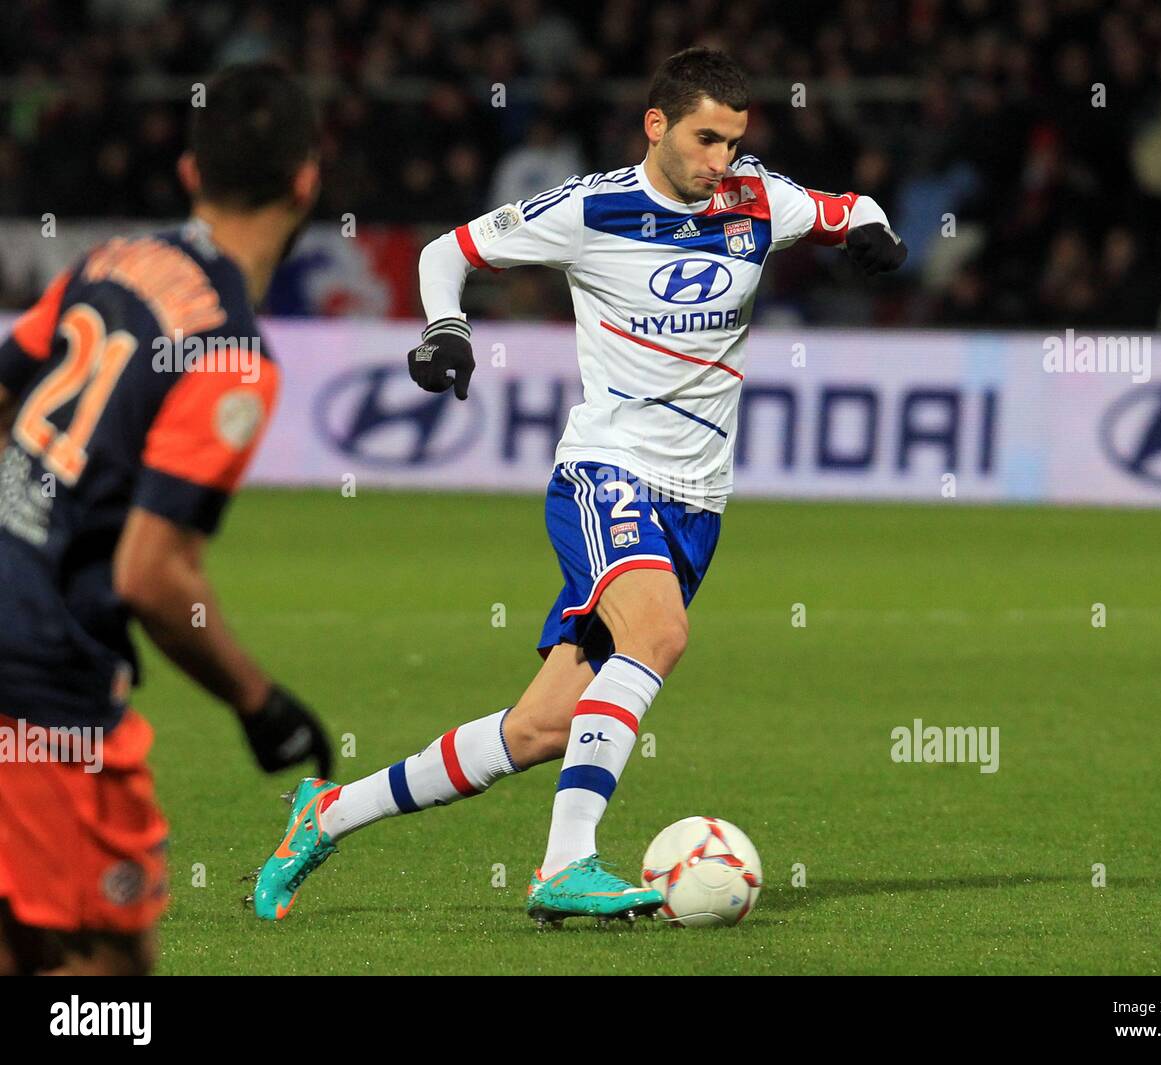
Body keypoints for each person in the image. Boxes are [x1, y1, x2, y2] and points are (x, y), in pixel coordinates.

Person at [253, 47, 906, 928]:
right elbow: (449, 250)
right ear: (657, 125)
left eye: (735, 141)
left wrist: (874, 230)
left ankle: (326, 813)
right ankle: (566, 863)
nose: (722, 162)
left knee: (539, 729)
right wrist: (446, 328)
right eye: (706, 139)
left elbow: (844, 207)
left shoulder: (755, 197)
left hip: (698, 503)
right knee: (661, 633)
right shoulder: (591, 207)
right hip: (608, 471)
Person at [0, 63, 332, 974]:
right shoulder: (231, 354)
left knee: (27, 940)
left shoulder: (113, 259)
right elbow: (151, 574)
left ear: (190, 171)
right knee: (111, 963)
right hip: (43, 673)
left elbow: (9, 377)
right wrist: (259, 703)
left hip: (17, 620)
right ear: (309, 179)